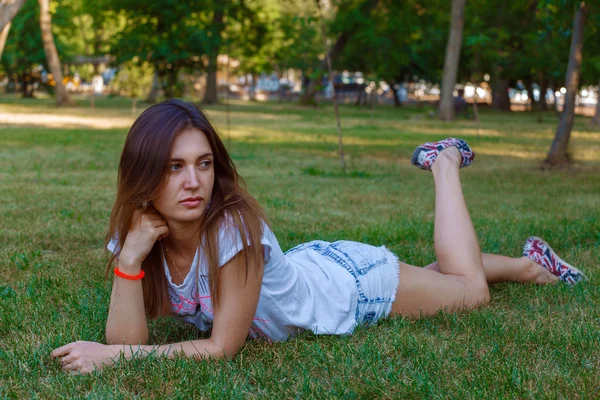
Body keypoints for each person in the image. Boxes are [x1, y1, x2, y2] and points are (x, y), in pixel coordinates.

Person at [51, 100, 586, 374]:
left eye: (203, 163)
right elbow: (126, 339)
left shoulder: (233, 229)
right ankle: (531, 264)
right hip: (311, 271)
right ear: (145, 173)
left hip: (350, 290)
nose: (193, 182)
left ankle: (443, 162)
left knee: (469, 292)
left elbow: (221, 347)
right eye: (172, 167)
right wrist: (132, 257)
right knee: (442, 278)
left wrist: (111, 360)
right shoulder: (140, 227)